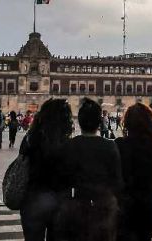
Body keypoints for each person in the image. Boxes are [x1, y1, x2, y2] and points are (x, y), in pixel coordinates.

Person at [57, 99, 123, 241]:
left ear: (79, 122)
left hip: (78, 204)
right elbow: (117, 180)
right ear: (99, 123)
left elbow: (63, 179)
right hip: (103, 205)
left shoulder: (70, 145)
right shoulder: (109, 146)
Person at [18, 99, 73, 241]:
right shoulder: (68, 144)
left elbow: (21, 166)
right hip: (59, 202)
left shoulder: (30, 139)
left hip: (33, 200)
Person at [115, 103, 152, 241]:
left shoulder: (118, 144)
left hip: (125, 205)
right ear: (150, 121)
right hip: (148, 205)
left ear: (127, 122)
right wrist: (149, 191)